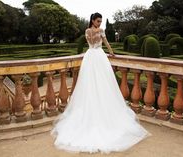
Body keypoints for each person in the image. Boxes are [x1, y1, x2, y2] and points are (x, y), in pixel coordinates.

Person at [50, 12, 152, 154]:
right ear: (92, 20)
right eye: (98, 21)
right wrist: (109, 49)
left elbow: (98, 43)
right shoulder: (95, 31)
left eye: (101, 21)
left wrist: (110, 52)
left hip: (93, 57)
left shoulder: (91, 31)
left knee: (101, 83)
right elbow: (100, 43)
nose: (100, 23)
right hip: (95, 56)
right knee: (90, 84)